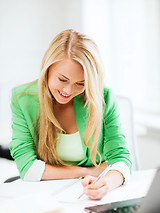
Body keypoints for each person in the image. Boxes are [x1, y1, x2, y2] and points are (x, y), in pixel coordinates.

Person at [10, 29, 132, 200]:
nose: (68, 90)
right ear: (47, 68)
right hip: (46, 198)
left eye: (80, 83)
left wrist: (106, 183)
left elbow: (122, 161)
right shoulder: (22, 99)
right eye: (62, 79)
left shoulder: (103, 97)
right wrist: (86, 172)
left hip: (91, 197)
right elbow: (27, 168)